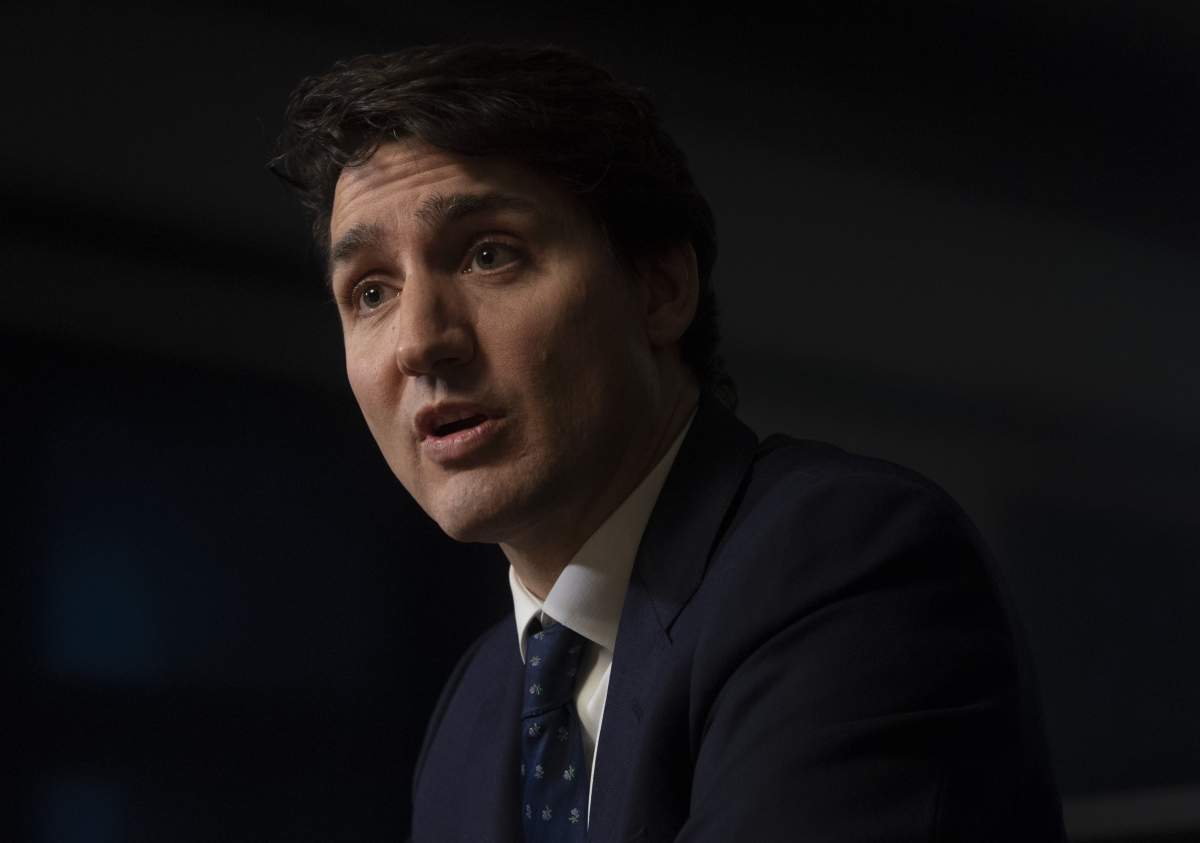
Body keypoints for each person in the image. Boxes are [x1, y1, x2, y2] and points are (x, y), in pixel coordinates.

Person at [271, 43, 1066, 842]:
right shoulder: (473, 715)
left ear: (659, 289)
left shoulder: (844, 565)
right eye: (370, 291)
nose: (417, 342)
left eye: (489, 254)